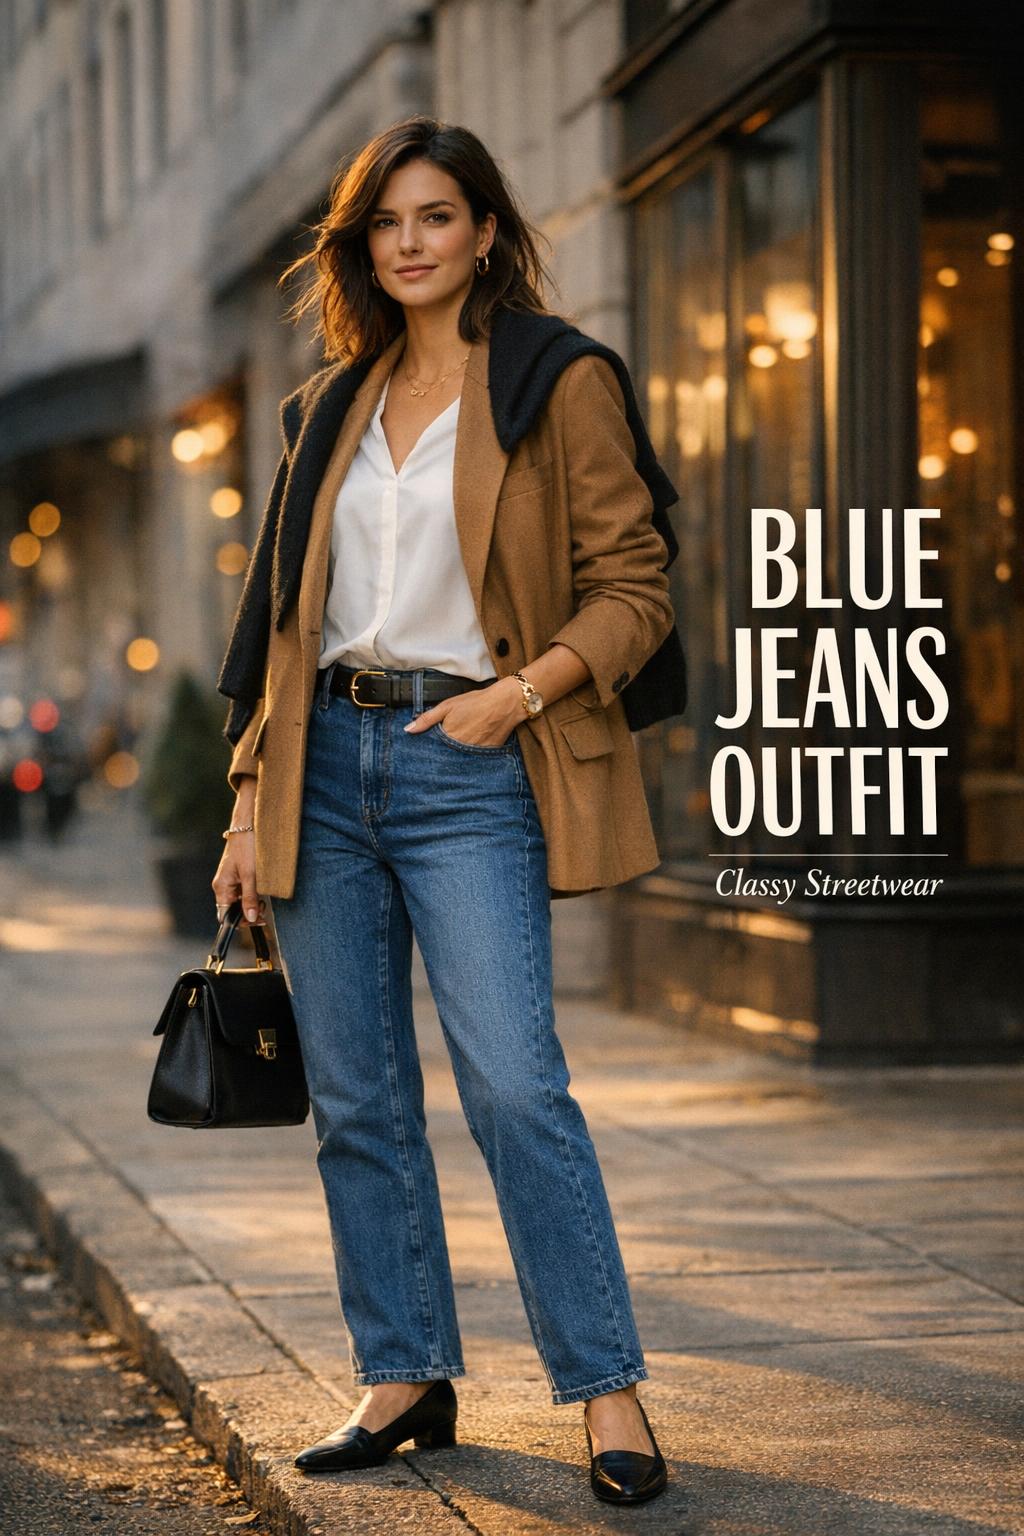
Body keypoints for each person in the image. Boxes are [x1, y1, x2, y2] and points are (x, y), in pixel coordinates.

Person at [212, 114, 684, 1508]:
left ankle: (606, 1391)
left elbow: (637, 588)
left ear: (485, 230)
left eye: (435, 216)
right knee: (357, 1099)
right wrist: (246, 809)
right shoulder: (327, 405)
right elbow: (282, 631)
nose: (409, 242)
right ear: (363, 246)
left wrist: (518, 694)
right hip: (323, 769)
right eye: (385, 223)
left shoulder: (556, 379)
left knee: (516, 1086)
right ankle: (406, 1374)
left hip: (470, 765)